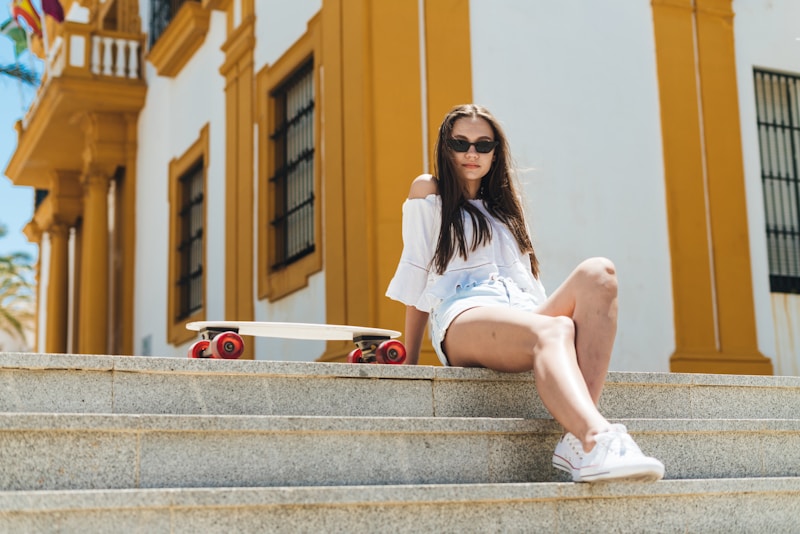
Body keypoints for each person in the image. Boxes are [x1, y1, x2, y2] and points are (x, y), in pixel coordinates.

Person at [386, 104, 664, 483]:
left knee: (600, 273)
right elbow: (416, 272)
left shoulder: (505, 210)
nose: (472, 153)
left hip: (522, 310)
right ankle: (596, 437)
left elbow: (528, 283)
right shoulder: (429, 192)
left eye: (483, 145)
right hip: (464, 313)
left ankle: (575, 437)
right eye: (461, 143)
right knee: (557, 330)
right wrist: (411, 362)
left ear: (496, 152)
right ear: (445, 147)